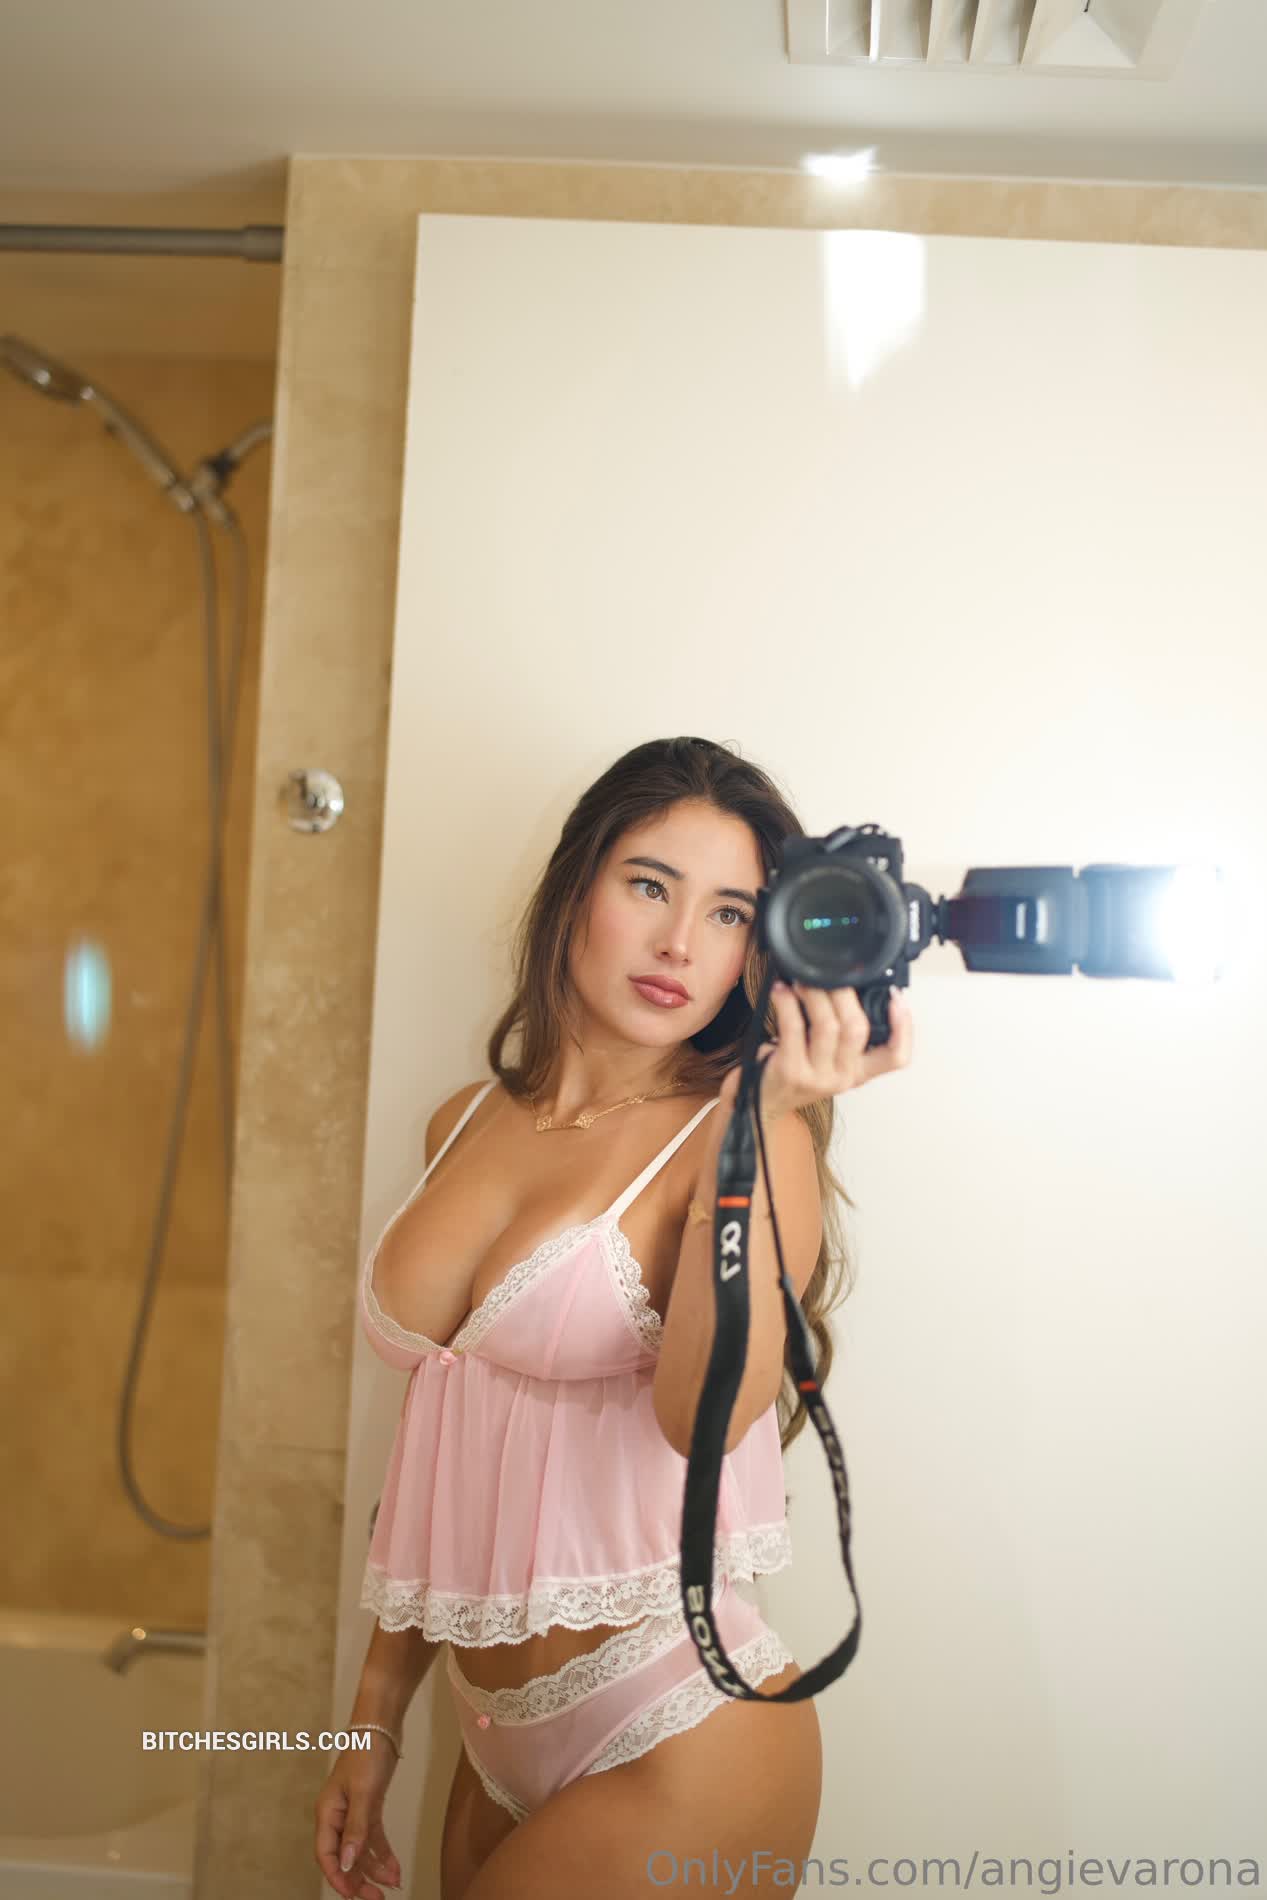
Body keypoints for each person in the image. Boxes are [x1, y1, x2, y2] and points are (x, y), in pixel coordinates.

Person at [314, 737, 913, 1899]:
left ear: (759, 949)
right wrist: (373, 1716)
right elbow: (441, 1444)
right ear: (575, 887)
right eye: (649, 885)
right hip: (484, 1732)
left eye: (729, 912)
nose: (680, 943)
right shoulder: (461, 1120)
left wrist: (751, 1134)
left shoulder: (743, 1138)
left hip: (678, 1723)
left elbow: (703, 1419)